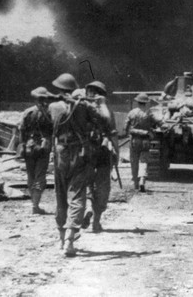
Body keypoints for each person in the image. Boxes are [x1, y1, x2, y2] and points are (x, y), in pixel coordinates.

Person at [49, 72, 104, 257]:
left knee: (60, 195)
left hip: (60, 153)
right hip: (79, 154)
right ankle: (70, 241)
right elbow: (102, 120)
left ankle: (61, 238)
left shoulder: (53, 106)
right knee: (77, 195)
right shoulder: (83, 107)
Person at [84, 80, 119, 233]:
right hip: (103, 152)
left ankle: (88, 210)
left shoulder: (81, 109)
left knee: (87, 184)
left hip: (86, 152)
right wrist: (116, 154)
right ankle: (96, 221)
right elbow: (113, 133)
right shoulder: (106, 111)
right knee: (103, 187)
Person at [17, 86, 55, 216]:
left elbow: (21, 129)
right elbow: (54, 131)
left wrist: (23, 144)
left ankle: (34, 205)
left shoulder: (28, 112)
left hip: (29, 146)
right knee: (40, 176)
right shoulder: (50, 113)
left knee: (30, 175)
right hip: (43, 148)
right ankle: (35, 205)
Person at [124, 93, 156, 192]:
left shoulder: (131, 113)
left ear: (137, 102)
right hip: (145, 140)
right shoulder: (149, 114)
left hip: (134, 140)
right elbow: (156, 123)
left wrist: (127, 133)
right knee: (143, 160)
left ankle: (135, 183)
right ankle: (142, 179)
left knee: (134, 161)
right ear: (146, 103)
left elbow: (125, 127)